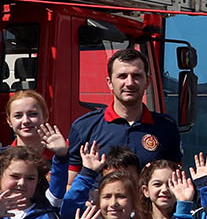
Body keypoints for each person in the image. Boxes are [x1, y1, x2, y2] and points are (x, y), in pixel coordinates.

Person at [64, 46, 181, 187]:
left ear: (147, 82)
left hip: (148, 209)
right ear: (109, 83)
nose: (130, 83)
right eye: (122, 76)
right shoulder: (84, 127)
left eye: (136, 76)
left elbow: (176, 182)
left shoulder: (166, 128)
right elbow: (70, 183)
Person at [0, 88, 70, 210]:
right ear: (9, 121)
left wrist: (61, 155)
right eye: (18, 116)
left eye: (33, 114)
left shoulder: (61, 157)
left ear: (45, 116)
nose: (25, 121)